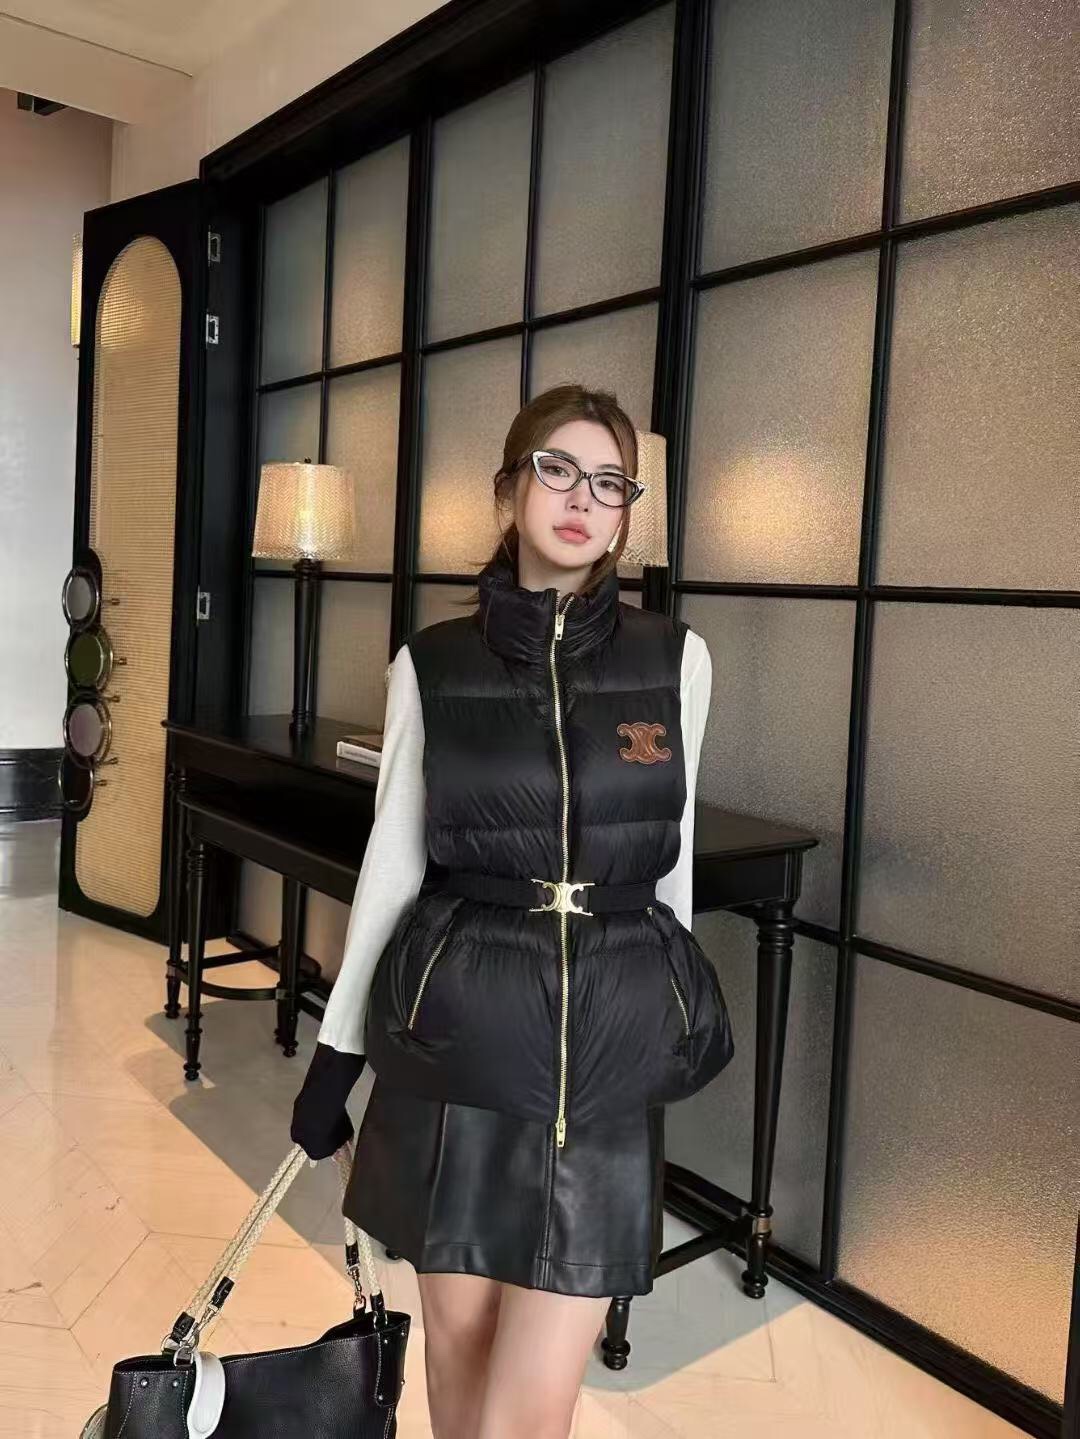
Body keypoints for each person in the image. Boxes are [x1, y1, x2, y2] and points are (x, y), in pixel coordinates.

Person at [291, 382, 732, 1439]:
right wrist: (336, 1057)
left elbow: (671, 865)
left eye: (611, 482)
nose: (583, 498)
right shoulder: (430, 666)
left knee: (528, 1407)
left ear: (626, 514)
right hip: (457, 1046)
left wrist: (674, 1005)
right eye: (558, 469)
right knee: (457, 1355)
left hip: (605, 1058)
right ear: (508, 490)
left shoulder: (677, 659)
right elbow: (393, 870)